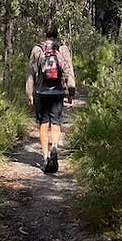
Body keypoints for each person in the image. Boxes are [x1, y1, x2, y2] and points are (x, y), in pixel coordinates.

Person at [26, 22, 76, 173]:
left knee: (43, 123)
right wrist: (71, 91)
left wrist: (29, 93)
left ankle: (46, 157)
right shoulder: (63, 48)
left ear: (45, 34)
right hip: (58, 92)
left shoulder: (37, 49)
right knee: (56, 122)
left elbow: (31, 72)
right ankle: (54, 146)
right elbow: (69, 70)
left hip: (41, 92)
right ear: (57, 33)